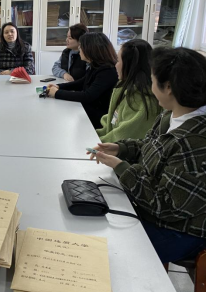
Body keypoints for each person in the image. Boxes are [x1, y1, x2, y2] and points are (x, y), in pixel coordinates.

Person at [90, 47, 206, 264]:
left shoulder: (194, 141)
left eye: (153, 80)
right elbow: (150, 146)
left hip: (180, 231)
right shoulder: (170, 114)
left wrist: (121, 167)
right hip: (152, 212)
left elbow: (165, 205)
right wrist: (122, 149)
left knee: (105, 252)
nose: (151, 87)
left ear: (168, 87)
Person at [47, 33, 118, 129]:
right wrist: (59, 86)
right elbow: (81, 82)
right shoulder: (96, 66)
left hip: (99, 117)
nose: (79, 50)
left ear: (90, 49)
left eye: (81, 47)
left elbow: (87, 96)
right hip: (90, 110)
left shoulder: (107, 71)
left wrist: (57, 93)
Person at [97, 39, 161, 143]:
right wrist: (94, 135)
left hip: (118, 150)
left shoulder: (140, 100)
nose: (116, 65)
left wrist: (95, 141)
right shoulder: (124, 87)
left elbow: (122, 136)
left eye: (118, 60)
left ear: (130, 65)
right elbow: (113, 122)